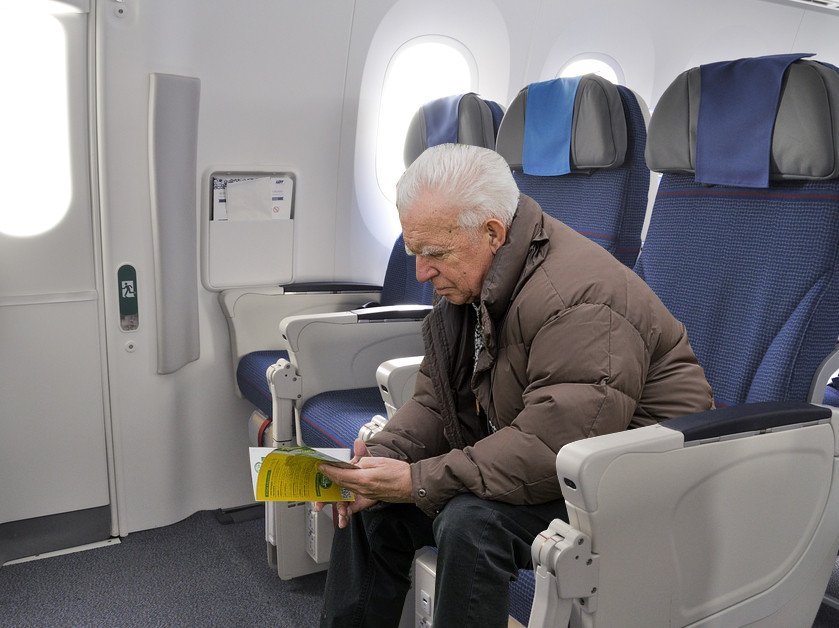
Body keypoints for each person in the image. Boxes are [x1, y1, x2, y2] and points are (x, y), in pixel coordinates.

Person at [316, 143, 713, 627]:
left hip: (631, 484)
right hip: (560, 466)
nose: (421, 272)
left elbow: (554, 446)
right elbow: (439, 402)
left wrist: (417, 481)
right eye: (414, 252)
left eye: (434, 254)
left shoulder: (579, 301)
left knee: (470, 525)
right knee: (371, 506)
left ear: (492, 233)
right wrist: (388, 458)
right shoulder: (476, 284)